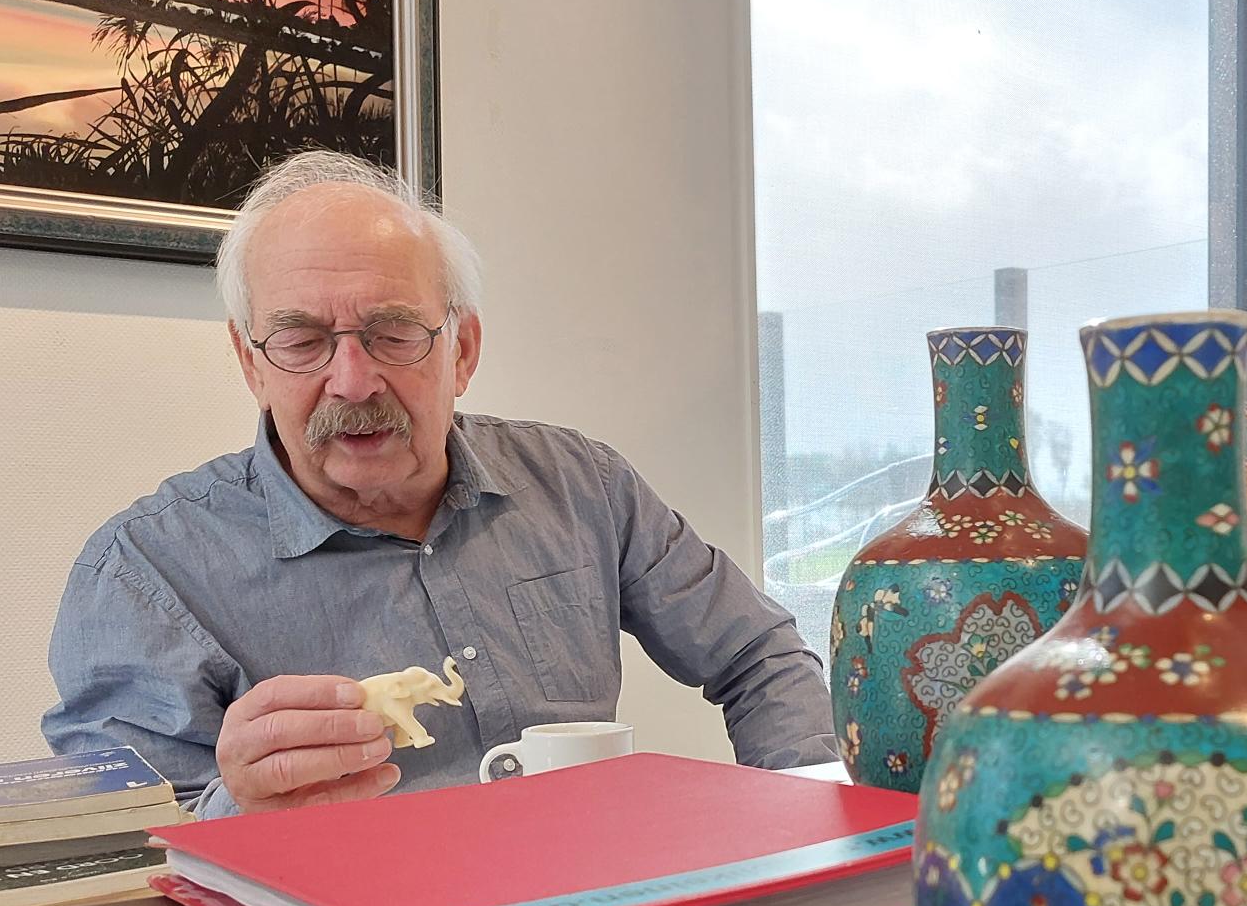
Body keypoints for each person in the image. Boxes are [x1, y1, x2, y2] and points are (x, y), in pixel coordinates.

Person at [42, 151, 835, 816]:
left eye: (392, 333)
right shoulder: (147, 571)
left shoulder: (580, 486)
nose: (353, 382)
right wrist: (237, 812)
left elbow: (756, 652)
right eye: (301, 340)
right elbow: (118, 850)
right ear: (251, 363)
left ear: (463, 350)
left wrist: (804, 821)